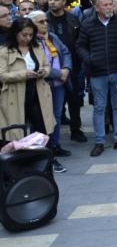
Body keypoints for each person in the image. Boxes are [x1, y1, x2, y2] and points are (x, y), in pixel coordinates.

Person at [76, 0, 117, 156]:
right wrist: (89, 59)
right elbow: (80, 46)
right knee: (99, 108)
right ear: (96, 7)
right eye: (105, 5)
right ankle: (99, 142)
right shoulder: (87, 24)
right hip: (97, 73)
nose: (109, 7)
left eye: (110, 4)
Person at [0, 20, 56, 162]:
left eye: (31, 35)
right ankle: (20, 161)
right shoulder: (5, 51)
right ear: (15, 34)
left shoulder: (37, 48)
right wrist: (23, 74)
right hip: (15, 95)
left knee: (42, 127)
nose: (27, 38)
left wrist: (44, 71)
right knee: (17, 129)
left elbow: (47, 65)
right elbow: (2, 75)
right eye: (24, 35)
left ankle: (44, 159)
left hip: (37, 92)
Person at [28, 12, 72, 172]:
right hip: (42, 84)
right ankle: (41, 149)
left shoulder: (51, 36)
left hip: (59, 84)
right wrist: (58, 73)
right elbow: (38, 65)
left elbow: (66, 52)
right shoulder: (30, 41)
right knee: (41, 118)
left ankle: (55, 145)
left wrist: (66, 69)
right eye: (41, 21)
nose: (45, 23)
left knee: (57, 115)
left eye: (46, 21)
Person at [47, 0, 86, 143]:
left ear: (63, 2)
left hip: (74, 67)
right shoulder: (44, 19)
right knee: (54, 104)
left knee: (75, 100)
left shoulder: (73, 20)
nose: (52, 2)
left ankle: (76, 130)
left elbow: (80, 41)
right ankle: (52, 137)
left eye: (56, 0)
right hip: (52, 68)